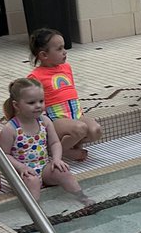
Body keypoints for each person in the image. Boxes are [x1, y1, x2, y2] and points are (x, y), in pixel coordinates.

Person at [0, 77, 91, 205]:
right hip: (22, 173)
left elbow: (54, 143)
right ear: (16, 105)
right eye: (31, 103)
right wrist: (21, 167)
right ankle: (37, 212)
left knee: (64, 172)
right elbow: (3, 155)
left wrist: (57, 159)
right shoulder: (10, 129)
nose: (38, 106)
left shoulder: (44, 122)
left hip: (43, 168)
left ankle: (83, 198)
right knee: (33, 181)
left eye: (41, 101)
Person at [28, 28, 102, 162]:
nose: (65, 51)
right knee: (80, 128)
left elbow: (70, 93)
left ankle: (72, 146)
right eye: (59, 49)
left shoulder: (66, 68)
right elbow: (32, 101)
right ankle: (58, 151)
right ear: (44, 55)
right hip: (56, 119)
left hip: (76, 114)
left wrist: (81, 114)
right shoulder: (35, 76)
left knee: (95, 130)